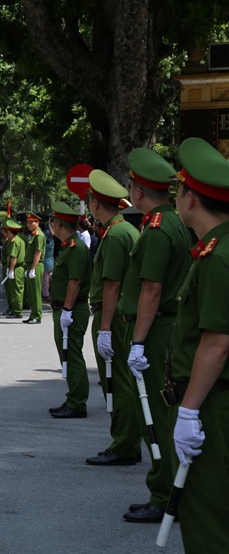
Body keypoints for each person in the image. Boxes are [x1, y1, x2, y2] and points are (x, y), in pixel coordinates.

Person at [118, 146, 193, 523]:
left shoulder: (158, 230)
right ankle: (163, 490)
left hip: (156, 329)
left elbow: (151, 290)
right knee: (163, 414)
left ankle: (164, 495)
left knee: (157, 416)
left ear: (138, 191)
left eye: (131, 184)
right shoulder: (172, 223)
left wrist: (137, 342)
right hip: (165, 326)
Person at [168, 137, 229, 550]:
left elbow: (216, 341)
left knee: (207, 515)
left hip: (213, 401)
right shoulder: (214, 249)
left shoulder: (218, 256)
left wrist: (189, 411)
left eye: (179, 189)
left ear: (191, 198)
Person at [84, 169, 142, 466]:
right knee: (120, 380)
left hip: (114, 318)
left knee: (117, 381)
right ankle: (126, 440)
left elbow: (112, 284)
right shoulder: (121, 230)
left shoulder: (117, 234)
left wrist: (104, 328)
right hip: (118, 316)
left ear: (95, 204)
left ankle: (125, 444)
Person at [47, 201, 92, 418]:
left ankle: (77, 403)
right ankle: (73, 397)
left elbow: (74, 282)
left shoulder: (76, 248)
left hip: (72, 310)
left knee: (72, 355)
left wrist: (66, 309)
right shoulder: (69, 245)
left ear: (58, 225)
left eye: (53, 223)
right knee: (68, 355)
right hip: (66, 309)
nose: (52, 227)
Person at [22, 213, 46, 324]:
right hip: (31, 265)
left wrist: (33, 269)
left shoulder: (39, 235)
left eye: (32, 222)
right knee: (31, 292)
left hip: (36, 265)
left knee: (36, 293)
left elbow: (38, 253)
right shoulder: (34, 234)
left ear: (38, 222)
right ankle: (33, 315)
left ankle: (37, 316)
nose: (29, 224)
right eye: (28, 222)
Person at [4, 219, 26, 319]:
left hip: (16, 268)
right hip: (18, 268)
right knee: (16, 290)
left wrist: (11, 270)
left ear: (10, 232)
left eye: (8, 231)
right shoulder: (19, 239)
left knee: (16, 290)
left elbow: (14, 257)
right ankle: (15, 310)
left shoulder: (15, 241)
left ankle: (17, 311)